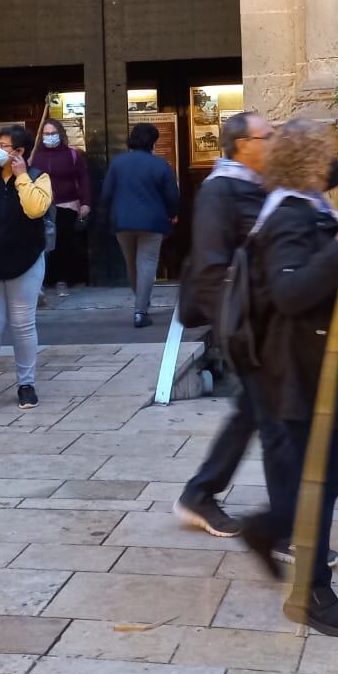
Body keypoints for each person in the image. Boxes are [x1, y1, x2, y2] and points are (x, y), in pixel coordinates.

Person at [238, 117, 338, 637]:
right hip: (297, 370)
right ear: (309, 162)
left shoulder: (311, 210)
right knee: (320, 475)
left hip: (319, 369)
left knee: (335, 467)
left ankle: (269, 528)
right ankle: (312, 591)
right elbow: (291, 293)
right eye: (325, 154)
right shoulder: (289, 218)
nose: (333, 162)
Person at [173, 111, 276, 538]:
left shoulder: (257, 186)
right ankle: (285, 523)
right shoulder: (220, 191)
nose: (273, 141)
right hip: (244, 326)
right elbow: (213, 270)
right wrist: (233, 331)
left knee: (256, 412)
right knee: (269, 417)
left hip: (261, 321)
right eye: (266, 136)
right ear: (242, 144)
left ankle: (201, 492)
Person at [0, 124, 53, 411]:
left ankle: (26, 384)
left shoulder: (40, 178)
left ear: (20, 152)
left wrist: (22, 177)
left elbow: (34, 209)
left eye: (5, 146)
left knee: (22, 325)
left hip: (24, 259)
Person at [100, 121, 180, 328]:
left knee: (131, 264)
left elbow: (106, 193)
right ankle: (140, 310)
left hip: (123, 221)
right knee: (147, 264)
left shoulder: (118, 163)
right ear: (153, 142)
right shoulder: (160, 165)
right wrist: (172, 214)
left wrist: (107, 216)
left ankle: (141, 302)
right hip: (152, 222)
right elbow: (172, 195)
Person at [32, 117, 92, 296]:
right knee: (42, 244)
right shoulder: (34, 155)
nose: (49, 137)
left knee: (64, 244)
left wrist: (86, 202)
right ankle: (43, 280)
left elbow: (84, 179)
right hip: (41, 205)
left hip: (66, 205)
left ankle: (62, 280)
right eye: (46, 134)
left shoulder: (71, 154)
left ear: (60, 134)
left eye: (53, 133)